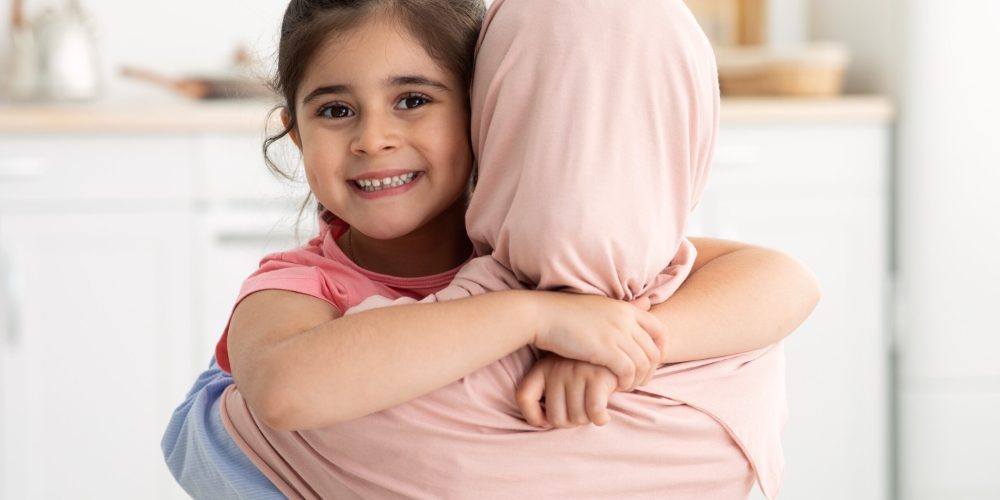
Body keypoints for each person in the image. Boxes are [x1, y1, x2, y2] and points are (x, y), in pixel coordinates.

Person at [163, 0, 819, 498]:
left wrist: (621, 348)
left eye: (413, 100)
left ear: (485, 115)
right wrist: (535, 317)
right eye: (336, 111)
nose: (373, 138)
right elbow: (282, 391)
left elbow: (786, 282)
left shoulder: (549, 253)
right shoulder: (296, 287)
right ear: (297, 135)